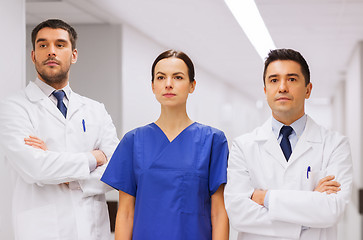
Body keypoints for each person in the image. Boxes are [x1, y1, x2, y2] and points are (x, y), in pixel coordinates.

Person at [0, 19, 119, 240]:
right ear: (33, 55)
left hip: (92, 231)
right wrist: (94, 158)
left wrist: (68, 177)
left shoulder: (95, 110)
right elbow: (36, 168)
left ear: (74, 55)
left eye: (60, 44)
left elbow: (116, 172)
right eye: (43, 45)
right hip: (41, 231)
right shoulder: (14, 108)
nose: (51, 51)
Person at [224, 48, 352, 240]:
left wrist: (265, 198)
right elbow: (239, 215)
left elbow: (332, 210)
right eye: (274, 80)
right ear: (266, 90)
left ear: (308, 90)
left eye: (292, 79)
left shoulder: (335, 145)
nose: (282, 87)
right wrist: (310, 206)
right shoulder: (243, 146)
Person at [101, 50, 229, 240]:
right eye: (161, 77)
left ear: (192, 85)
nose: (168, 84)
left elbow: (218, 213)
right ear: (153, 86)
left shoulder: (213, 140)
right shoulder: (133, 141)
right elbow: (126, 213)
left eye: (178, 77)